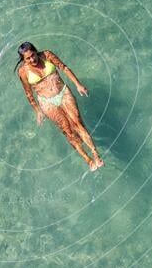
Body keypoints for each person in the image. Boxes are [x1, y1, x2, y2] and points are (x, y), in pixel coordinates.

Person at [15, 42, 104, 171]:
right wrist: (37, 111)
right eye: (27, 58)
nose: (32, 59)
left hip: (63, 92)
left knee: (77, 122)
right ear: (23, 59)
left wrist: (78, 85)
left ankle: (95, 154)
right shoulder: (22, 72)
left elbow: (64, 68)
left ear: (36, 51)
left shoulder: (47, 55)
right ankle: (87, 159)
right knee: (68, 131)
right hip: (46, 102)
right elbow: (28, 93)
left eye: (33, 55)